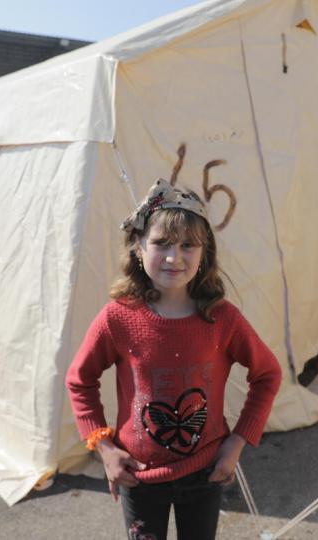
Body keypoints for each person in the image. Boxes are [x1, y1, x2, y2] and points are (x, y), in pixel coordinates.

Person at [66, 178, 282, 540]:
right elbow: (79, 380)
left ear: (204, 253)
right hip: (138, 476)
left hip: (205, 472)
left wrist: (237, 442)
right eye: (161, 243)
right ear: (137, 246)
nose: (174, 257)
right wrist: (104, 449)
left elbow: (268, 374)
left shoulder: (221, 318)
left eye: (187, 246)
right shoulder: (117, 318)